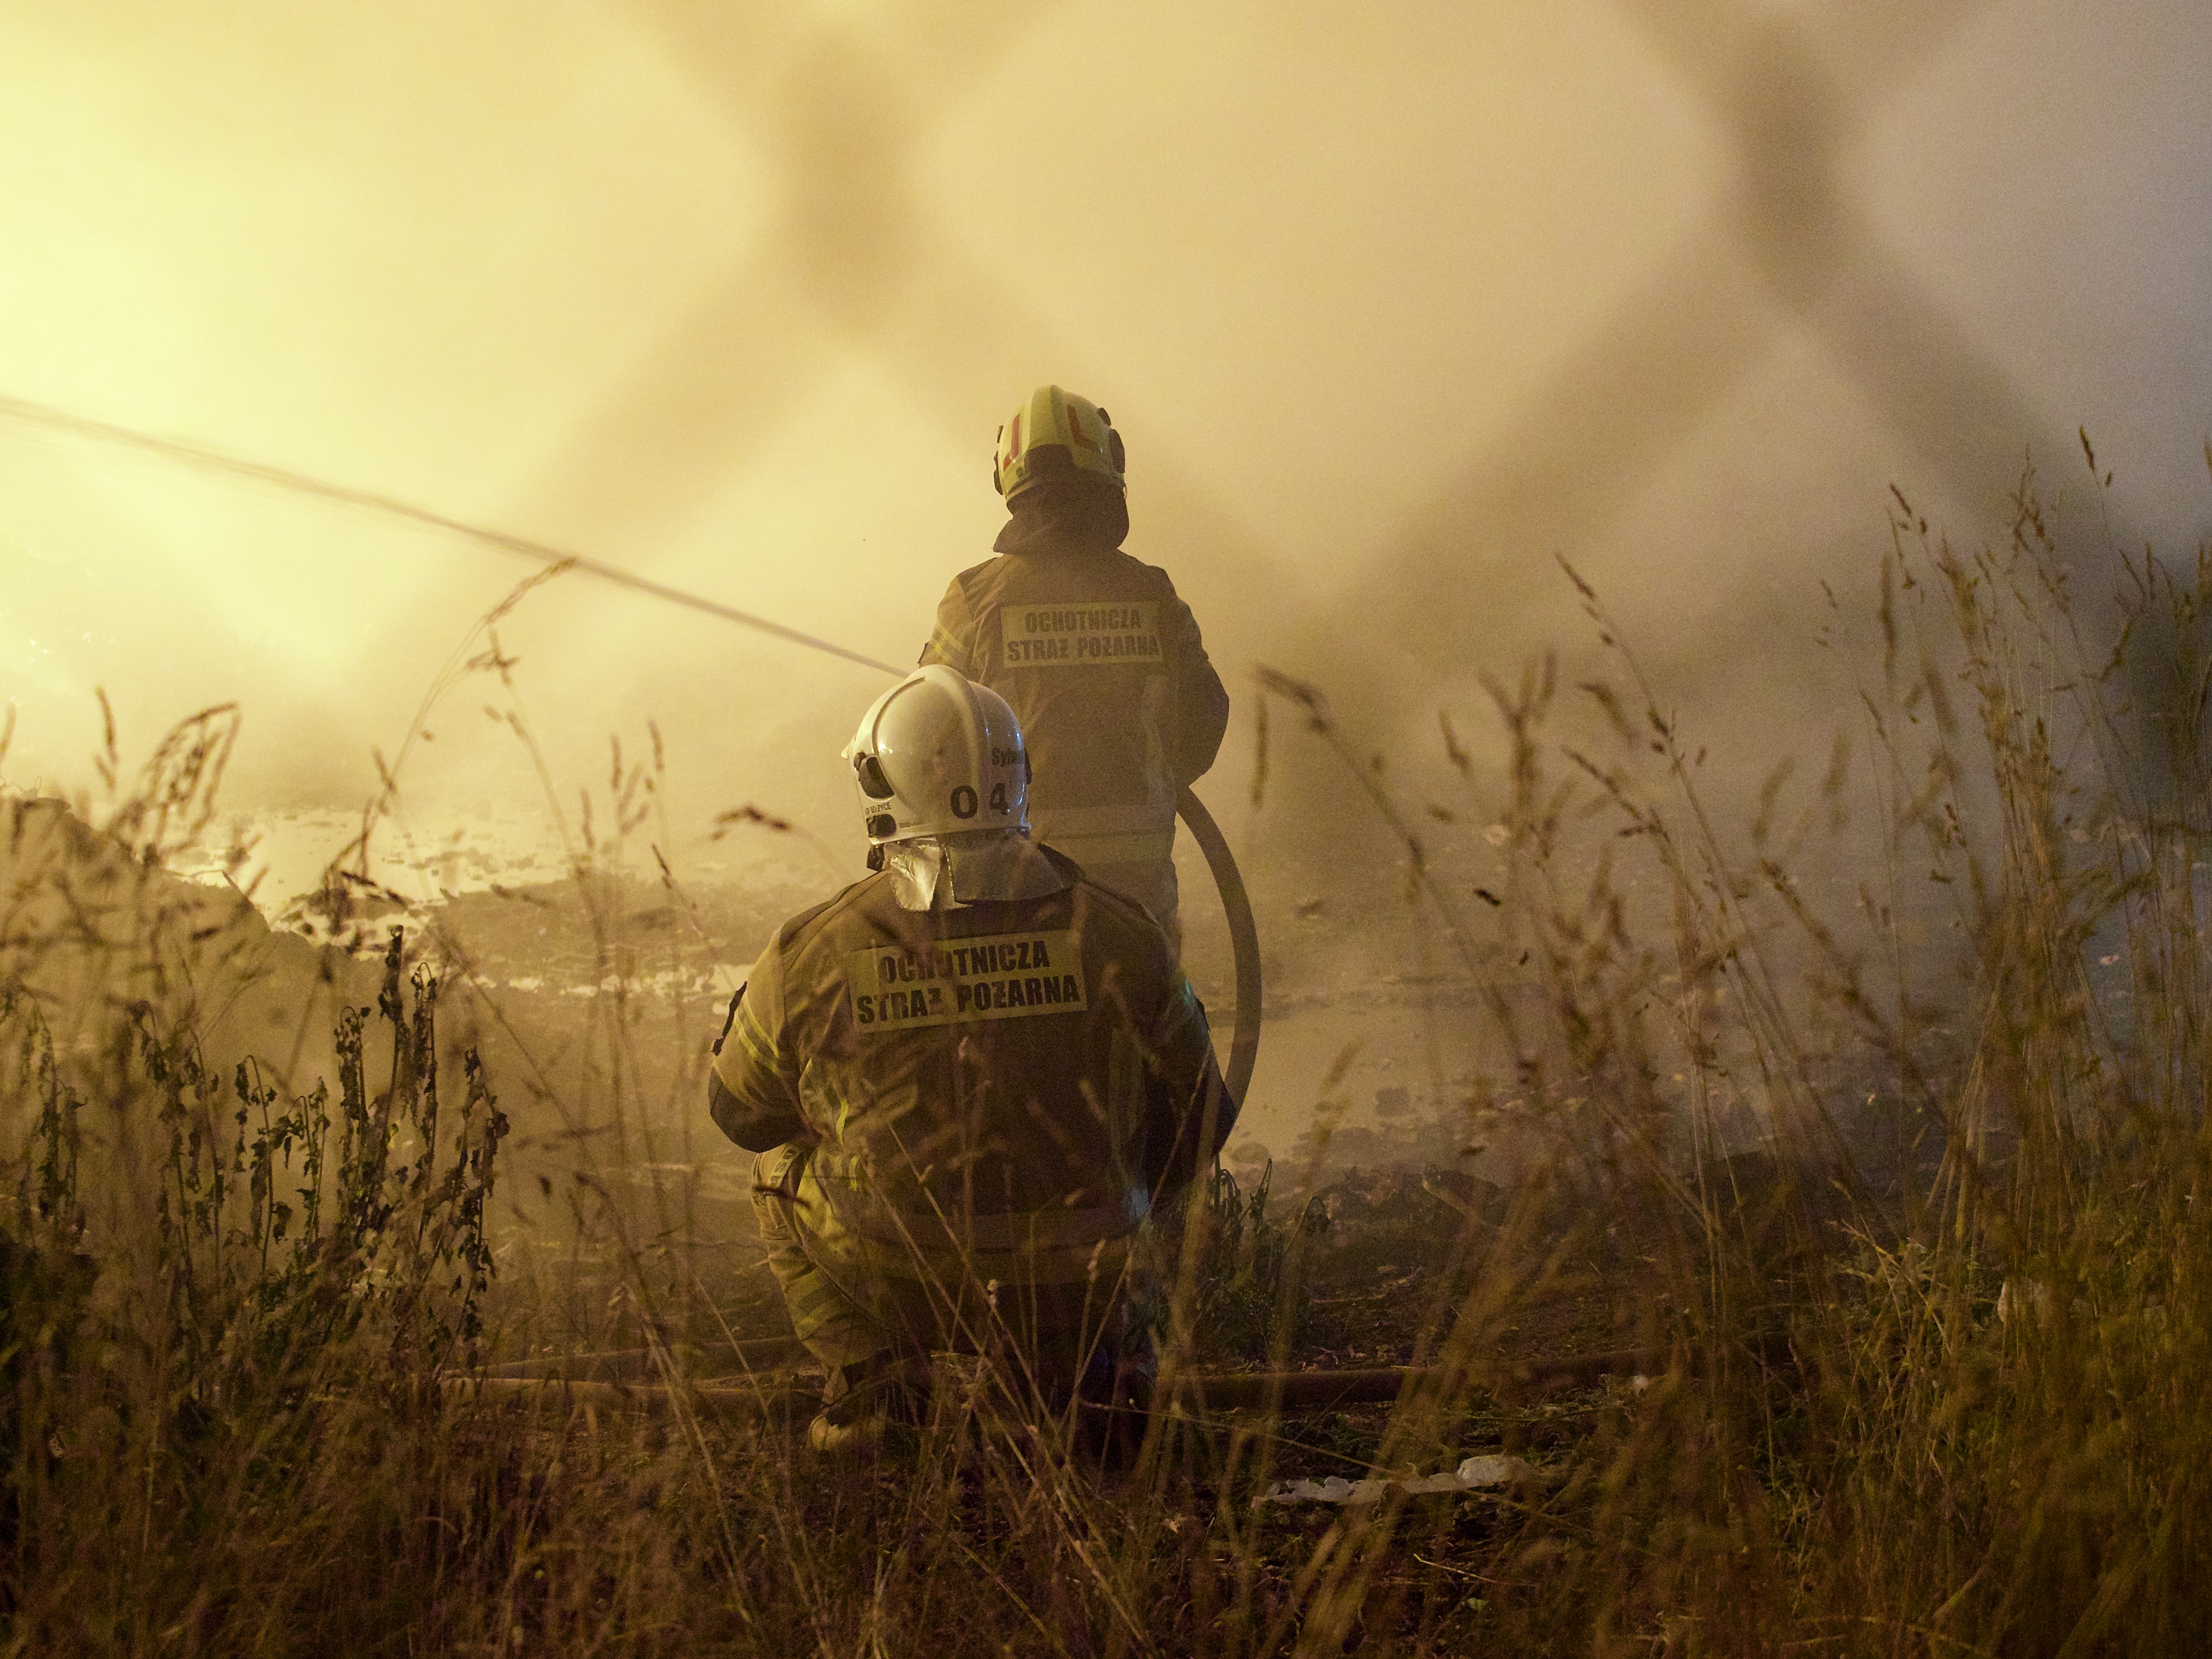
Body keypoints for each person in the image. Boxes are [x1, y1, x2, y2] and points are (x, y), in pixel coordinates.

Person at [707, 665, 1233, 1452]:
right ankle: (1099, 1375)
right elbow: (1201, 1121)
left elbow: (743, 1117)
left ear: (882, 787)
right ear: (1015, 782)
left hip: (894, 1275)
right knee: (1147, 1179)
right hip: (1084, 1279)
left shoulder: (811, 951)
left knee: (778, 1168)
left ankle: (876, 1386)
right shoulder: (1123, 933)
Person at [918, 385, 1230, 949]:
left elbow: (926, 732)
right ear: (1110, 465)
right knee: (1151, 1021)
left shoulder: (973, 599)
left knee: (1031, 1029)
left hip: (1016, 880)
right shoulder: (1150, 593)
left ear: (1006, 481)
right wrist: (1156, 782)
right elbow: (1207, 713)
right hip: (1138, 887)